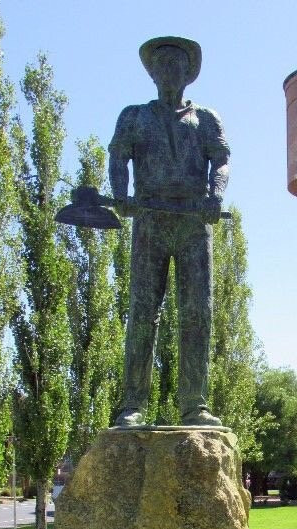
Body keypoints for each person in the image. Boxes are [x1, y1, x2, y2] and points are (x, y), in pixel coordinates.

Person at [108, 36, 230, 427]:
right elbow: (118, 157)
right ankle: (132, 405)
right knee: (143, 312)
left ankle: (195, 404)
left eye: (175, 65)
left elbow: (221, 162)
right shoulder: (133, 116)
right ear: (152, 73)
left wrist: (214, 195)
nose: (168, 72)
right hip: (151, 221)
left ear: (187, 73)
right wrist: (121, 196)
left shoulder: (206, 118)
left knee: (197, 312)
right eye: (161, 66)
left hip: (194, 222)